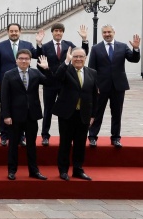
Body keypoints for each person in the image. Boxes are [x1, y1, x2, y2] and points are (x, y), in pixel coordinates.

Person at [39, 48, 98, 181]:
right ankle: (63, 170)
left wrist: (93, 115)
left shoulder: (92, 73)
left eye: (81, 57)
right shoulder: (66, 70)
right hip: (67, 114)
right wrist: (66, 61)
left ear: (85, 58)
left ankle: (78, 169)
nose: (78, 59)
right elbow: (56, 78)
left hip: (83, 114)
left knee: (80, 143)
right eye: (75, 56)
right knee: (65, 143)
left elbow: (94, 96)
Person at [87, 24, 140, 148]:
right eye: (104, 32)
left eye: (109, 32)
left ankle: (116, 138)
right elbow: (91, 68)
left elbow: (133, 59)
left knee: (117, 113)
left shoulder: (122, 46)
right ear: (102, 34)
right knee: (97, 112)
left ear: (114, 32)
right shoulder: (96, 48)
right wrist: (94, 86)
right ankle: (92, 137)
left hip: (118, 86)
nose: (107, 34)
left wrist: (136, 49)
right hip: (101, 87)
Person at [37, 23, 89, 146]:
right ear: (52, 32)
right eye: (56, 31)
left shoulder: (69, 45)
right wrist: (39, 44)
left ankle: (65, 135)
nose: (58, 33)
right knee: (48, 110)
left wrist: (84, 40)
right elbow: (39, 58)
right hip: (50, 82)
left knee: (65, 110)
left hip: (65, 83)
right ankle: (45, 135)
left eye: (60, 31)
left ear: (63, 33)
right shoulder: (46, 46)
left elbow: (82, 53)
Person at [0, 49, 48, 181]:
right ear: (16, 60)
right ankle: (12, 171)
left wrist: (46, 69)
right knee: (13, 144)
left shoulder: (35, 73)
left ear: (30, 60)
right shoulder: (9, 75)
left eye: (26, 59)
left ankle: (34, 171)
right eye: (21, 58)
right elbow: (4, 97)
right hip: (15, 116)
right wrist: (6, 115)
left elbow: (50, 83)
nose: (23, 61)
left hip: (32, 115)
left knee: (31, 145)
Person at [0, 23, 42, 147]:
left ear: (20, 31)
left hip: (23, 85)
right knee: (5, 108)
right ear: (7, 32)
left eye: (16, 31)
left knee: (23, 110)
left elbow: (38, 55)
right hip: (6, 83)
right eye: (11, 31)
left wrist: (39, 43)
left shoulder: (27, 45)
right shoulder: (0, 46)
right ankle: (4, 136)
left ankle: (21, 137)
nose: (14, 33)